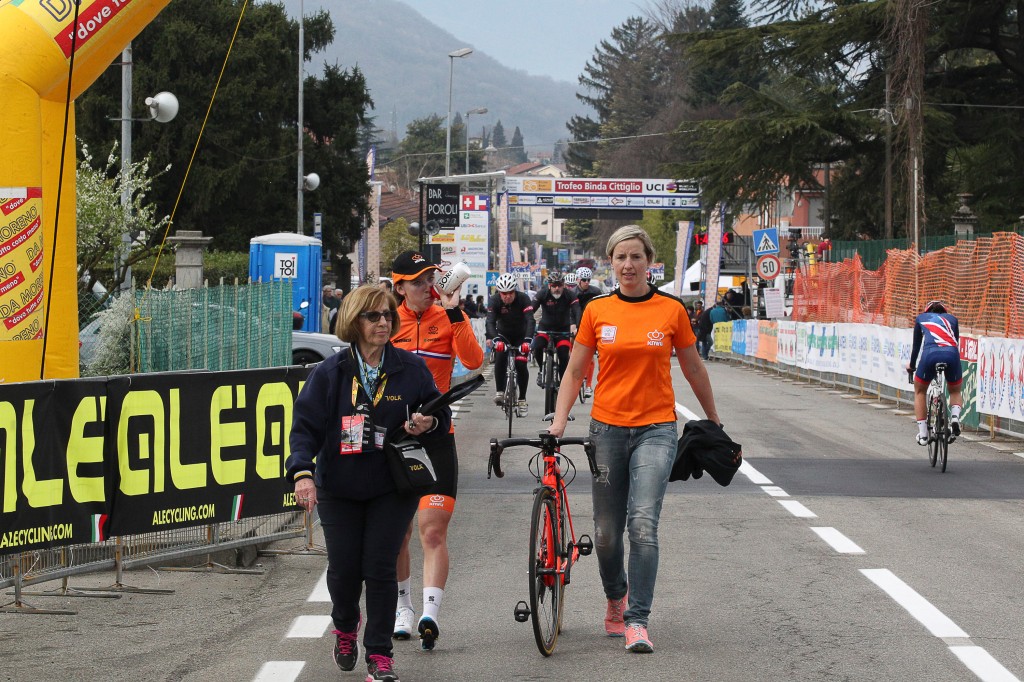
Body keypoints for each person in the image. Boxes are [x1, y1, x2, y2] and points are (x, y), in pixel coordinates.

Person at [548, 224, 721, 655]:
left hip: (656, 429)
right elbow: (574, 370)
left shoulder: (671, 310)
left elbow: (694, 368)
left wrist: (713, 420)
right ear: (612, 262)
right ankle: (615, 596)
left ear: (649, 262)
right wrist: (559, 420)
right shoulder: (597, 311)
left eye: (636, 257)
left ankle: (637, 619)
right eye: (621, 257)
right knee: (606, 534)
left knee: (643, 524)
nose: (628, 265)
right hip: (605, 430)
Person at [288, 285, 450, 682]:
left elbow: (439, 417)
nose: (383, 322)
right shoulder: (330, 372)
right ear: (354, 321)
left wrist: (427, 423)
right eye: (373, 316)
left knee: (380, 568)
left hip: (391, 487)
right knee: (343, 569)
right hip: (338, 486)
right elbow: (304, 428)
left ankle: (380, 654)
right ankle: (345, 628)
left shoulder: (410, 369)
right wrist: (302, 473)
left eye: (388, 316)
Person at [389, 250, 484, 650]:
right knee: (398, 531)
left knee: (432, 529)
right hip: (393, 438)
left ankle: (430, 612)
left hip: (437, 434)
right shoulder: (386, 321)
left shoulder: (446, 317)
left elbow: (474, 361)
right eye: (418, 282)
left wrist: (455, 313)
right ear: (399, 287)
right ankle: (403, 607)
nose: (428, 287)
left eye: (431, 278)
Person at [907, 300, 963, 445]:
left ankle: (924, 434)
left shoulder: (921, 318)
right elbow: (955, 342)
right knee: (955, 391)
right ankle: (955, 418)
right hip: (951, 354)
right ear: (944, 312)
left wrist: (911, 366)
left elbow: (916, 347)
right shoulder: (952, 319)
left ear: (927, 311)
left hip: (930, 355)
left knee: (920, 391)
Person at [485, 272, 536, 415]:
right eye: (504, 293)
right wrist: (495, 340)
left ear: (515, 290)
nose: (507, 296)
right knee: (500, 356)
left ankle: (522, 399)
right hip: (504, 335)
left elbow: (530, 320)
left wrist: (527, 340)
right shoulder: (494, 300)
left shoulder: (524, 299)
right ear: (499, 293)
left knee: (520, 364)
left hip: (521, 336)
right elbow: (490, 322)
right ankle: (500, 391)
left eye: (510, 293)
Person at [532, 271, 579, 388]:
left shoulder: (569, 295)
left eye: (559, 285)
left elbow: (577, 311)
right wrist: (526, 323)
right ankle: (542, 370)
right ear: (549, 285)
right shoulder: (542, 294)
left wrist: (578, 326)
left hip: (563, 331)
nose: (557, 288)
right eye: (554, 285)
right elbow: (530, 310)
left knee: (564, 355)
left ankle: (563, 384)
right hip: (545, 329)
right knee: (537, 347)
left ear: (563, 285)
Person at [573, 266, 605, 398]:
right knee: (573, 354)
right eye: (584, 280)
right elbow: (570, 311)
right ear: (578, 280)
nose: (587, 282)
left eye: (588, 280)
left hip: (592, 325)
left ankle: (588, 386)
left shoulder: (596, 291)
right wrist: (572, 325)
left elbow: (603, 309)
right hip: (576, 325)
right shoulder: (572, 293)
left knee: (590, 357)